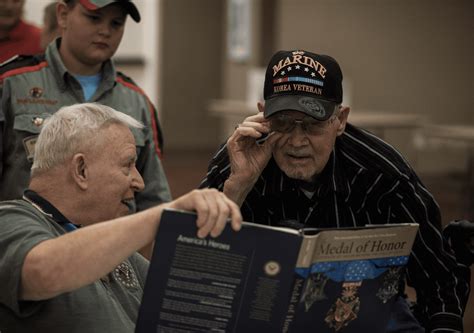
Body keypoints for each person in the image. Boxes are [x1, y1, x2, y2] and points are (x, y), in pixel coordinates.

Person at [200, 49, 471, 332]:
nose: (297, 141)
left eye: (313, 125)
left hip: (366, 316)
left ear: (340, 120)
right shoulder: (238, 159)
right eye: (282, 123)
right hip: (264, 313)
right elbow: (194, 270)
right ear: (262, 115)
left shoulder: (383, 175)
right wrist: (237, 187)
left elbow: (439, 278)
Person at [0, 103, 242, 332]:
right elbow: (43, 270)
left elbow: (196, 304)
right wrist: (160, 217)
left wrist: (238, 188)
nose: (139, 182)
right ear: (81, 170)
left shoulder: (118, 251)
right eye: (128, 165)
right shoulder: (10, 220)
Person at [0, 0, 171, 257]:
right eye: (94, 18)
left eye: (116, 23)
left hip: (111, 262)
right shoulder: (12, 86)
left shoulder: (136, 101)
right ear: (63, 14)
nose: (105, 30)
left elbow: (153, 200)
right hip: (32, 257)